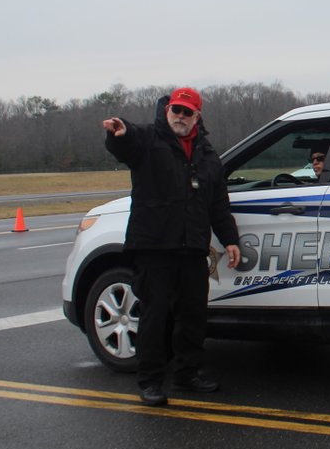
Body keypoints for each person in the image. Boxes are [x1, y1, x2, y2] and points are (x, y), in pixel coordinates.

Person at [102, 87, 242, 407]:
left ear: (197, 116)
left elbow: (218, 204)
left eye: (186, 112)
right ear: (167, 111)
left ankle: (187, 374)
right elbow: (127, 144)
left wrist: (230, 239)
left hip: (192, 248)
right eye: (175, 110)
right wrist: (118, 134)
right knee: (155, 316)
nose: (180, 116)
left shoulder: (208, 156)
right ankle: (150, 380)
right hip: (154, 247)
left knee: (193, 316)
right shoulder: (148, 140)